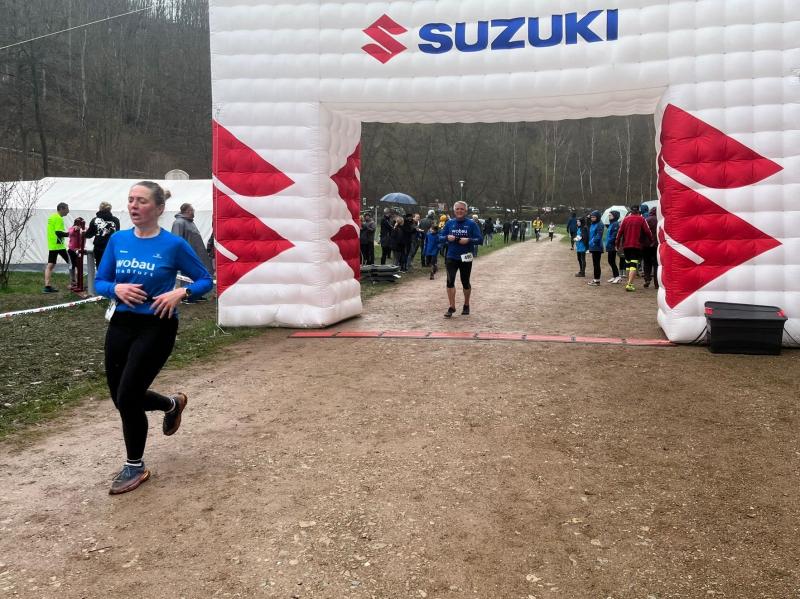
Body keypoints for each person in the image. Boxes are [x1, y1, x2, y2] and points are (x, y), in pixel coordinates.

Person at [94, 181, 212, 495]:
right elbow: (100, 282)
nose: (134, 205)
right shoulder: (118, 240)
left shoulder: (173, 245)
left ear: (159, 208)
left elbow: (205, 280)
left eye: (142, 201)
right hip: (121, 323)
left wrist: (181, 293)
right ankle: (172, 404)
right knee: (120, 397)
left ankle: (135, 465)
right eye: (131, 200)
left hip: (157, 325)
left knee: (129, 396)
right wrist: (115, 289)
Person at [439, 201, 483, 317]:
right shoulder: (449, 223)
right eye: (457, 209)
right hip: (451, 256)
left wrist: (468, 240)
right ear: (454, 211)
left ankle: (466, 305)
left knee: (465, 282)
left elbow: (480, 240)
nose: (459, 211)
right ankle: (452, 306)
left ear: (466, 211)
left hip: (466, 256)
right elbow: (440, 237)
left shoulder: (472, 224)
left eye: (462, 209)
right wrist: (447, 237)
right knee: (450, 281)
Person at [171, 203, 213, 302]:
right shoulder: (179, 223)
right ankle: (186, 297)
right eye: (192, 210)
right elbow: (176, 239)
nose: (193, 212)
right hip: (187, 255)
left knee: (196, 274)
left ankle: (196, 294)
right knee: (186, 275)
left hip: (196, 254)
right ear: (187, 211)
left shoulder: (190, 222)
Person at [616, 204, 654, 292]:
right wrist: (651, 240)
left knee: (628, 264)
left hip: (626, 246)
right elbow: (648, 231)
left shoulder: (625, 219)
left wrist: (617, 244)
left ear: (631, 210)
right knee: (633, 264)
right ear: (638, 210)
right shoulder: (641, 219)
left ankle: (628, 282)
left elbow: (619, 232)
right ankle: (630, 284)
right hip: (636, 245)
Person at [43, 202, 71, 293]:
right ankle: (76, 283)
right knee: (72, 263)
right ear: (62, 209)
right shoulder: (59, 218)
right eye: (67, 209)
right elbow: (58, 233)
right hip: (59, 245)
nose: (68, 211)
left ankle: (47, 286)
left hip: (52, 245)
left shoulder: (52, 217)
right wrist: (71, 234)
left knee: (50, 265)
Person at [85, 201, 121, 268]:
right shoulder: (116, 220)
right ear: (110, 209)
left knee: (100, 267)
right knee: (111, 267)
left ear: (100, 209)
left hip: (99, 248)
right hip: (111, 247)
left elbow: (89, 235)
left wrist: (84, 232)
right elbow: (117, 234)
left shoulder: (95, 220)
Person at [67, 217, 86, 289]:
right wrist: (75, 229)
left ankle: (79, 282)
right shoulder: (71, 228)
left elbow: (86, 234)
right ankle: (73, 282)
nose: (79, 226)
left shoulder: (83, 229)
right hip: (71, 250)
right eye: (78, 224)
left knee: (79, 266)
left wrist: (82, 230)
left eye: (80, 224)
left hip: (79, 251)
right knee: (72, 266)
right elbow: (70, 233)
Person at [587, 210, 605, 286]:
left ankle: (597, 280)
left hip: (597, 246)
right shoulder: (593, 223)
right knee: (595, 263)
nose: (592, 218)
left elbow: (598, 235)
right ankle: (596, 279)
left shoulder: (600, 224)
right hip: (593, 246)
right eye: (591, 217)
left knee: (596, 264)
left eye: (594, 217)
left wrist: (592, 242)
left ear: (597, 217)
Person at [643, 206, 659, 288]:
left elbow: (642, 231)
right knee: (656, 264)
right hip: (657, 245)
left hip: (646, 245)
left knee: (647, 263)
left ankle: (647, 279)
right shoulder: (660, 221)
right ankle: (657, 283)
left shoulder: (646, 220)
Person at [605, 210, 622, 284]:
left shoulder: (615, 224)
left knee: (611, 261)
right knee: (610, 261)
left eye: (610, 215)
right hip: (609, 245)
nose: (609, 216)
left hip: (612, 245)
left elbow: (614, 235)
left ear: (614, 216)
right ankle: (615, 276)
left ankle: (617, 276)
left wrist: (609, 241)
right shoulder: (611, 224)